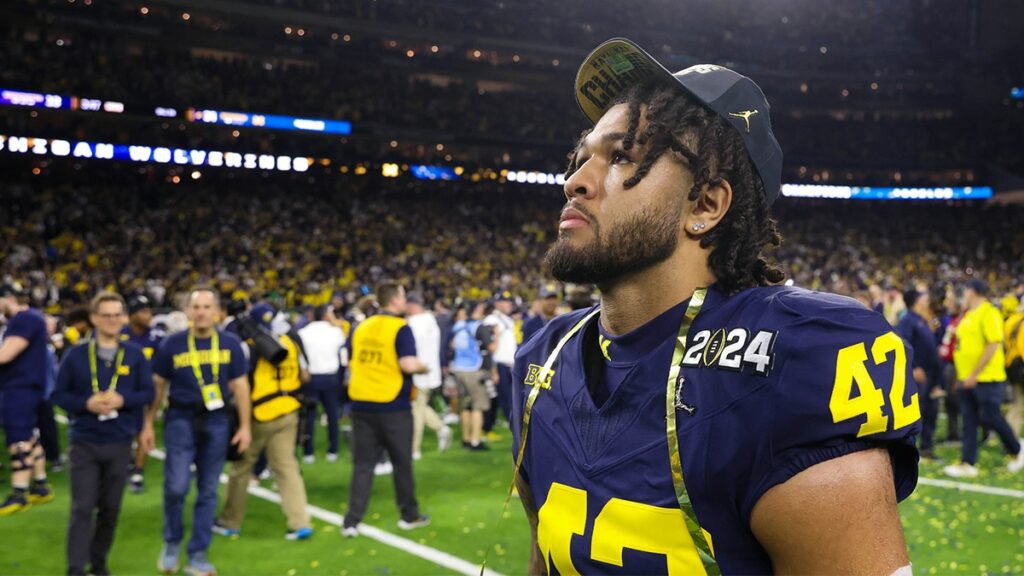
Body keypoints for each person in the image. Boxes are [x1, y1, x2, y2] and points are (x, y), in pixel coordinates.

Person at [512, 38, 923, 574]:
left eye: (620, 157)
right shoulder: (543, 357)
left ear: (705, 205)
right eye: (581, 157)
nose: (575, 182)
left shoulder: (793, 360)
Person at [142, 287, 252, 576]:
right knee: (176, 486)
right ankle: (171, 541)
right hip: (180, 418)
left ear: (217, 311)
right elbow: (158, 385)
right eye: (196, 306)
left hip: (217, 421)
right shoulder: (172, 344)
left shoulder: (230, 343)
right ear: (188, 311)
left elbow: (241, 386)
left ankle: (198, 553)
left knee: (208, 490)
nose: (201, 312)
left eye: (207, 306)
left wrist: (245, 426)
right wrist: (147, 423)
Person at [52, 292, 154, 576]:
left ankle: (98, 563)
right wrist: (86, 403)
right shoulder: (76, 355)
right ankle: (75, 568)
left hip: (119, 442)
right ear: (94, 318)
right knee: (83, 508)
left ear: (123, 318)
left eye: (116, 315)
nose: (112, 320)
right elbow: (59, 394)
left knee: (110, 510)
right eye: (105, 315)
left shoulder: (134, 354)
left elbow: (147, 392)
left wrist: (123, 400)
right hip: (84, 440)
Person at [216, 303, 312, 541]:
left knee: (241, 468)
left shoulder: (249, 347)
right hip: (289, 409)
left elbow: (239, 385)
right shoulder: (292, 341)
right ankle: (300, 522)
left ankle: (231, 521)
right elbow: (305, 376)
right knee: (287, 467)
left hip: (258, 413)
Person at [342, 282, 430, 538]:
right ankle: (409, 515)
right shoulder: (401, 328)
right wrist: (424, 367)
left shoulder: (361, 326)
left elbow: (351, 359)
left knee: (363, 465)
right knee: (402, 462)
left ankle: (351, 521)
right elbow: (407, 364)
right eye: (403, 296)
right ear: (395, 300)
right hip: (392, 405)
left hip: (361, 403)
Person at [944, 279, 1024, 478]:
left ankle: (1017, 449)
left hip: (987, 377)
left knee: (990, 416)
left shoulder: (989, 312)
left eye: (967, 290)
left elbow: (993, 344)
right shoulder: (969, 314)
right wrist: (961, 375)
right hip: (966, 377)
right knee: (969, 419)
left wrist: (974, 374)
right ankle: (967, 462)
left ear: (974, 291)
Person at [0, 282, 55, 515]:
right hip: (25, 385)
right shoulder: (27, 319)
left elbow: (5, 355)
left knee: (18, 437)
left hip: (19, 386)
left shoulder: (24, 319)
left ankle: (19, 493)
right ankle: (40, 485)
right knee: (30, 436)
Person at [121, 295, 164, 494]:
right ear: (132, 315)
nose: (149, 316)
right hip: (120, 391)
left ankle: (137, 471)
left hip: (146, 392)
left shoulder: (157, 336)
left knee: (144, 431)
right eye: (143, 311)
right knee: (121, 433)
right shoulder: (120, 334)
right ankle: (125, 463)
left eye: (149, 311)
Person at [404, 293, 452, 459]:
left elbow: (411, 348)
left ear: (411, 305)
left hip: (417, 371)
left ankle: (414, 449)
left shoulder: (413, 323)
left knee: (416, 410)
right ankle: (442, 428)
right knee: (420, 406)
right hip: (430, 371)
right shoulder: (431, 320)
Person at [298, 304, 348, 463]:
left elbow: (299, 354)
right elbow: (344, 352)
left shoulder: (303, 332)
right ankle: (332, 450)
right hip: (330, 377)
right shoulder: (335, 332)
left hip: (310, 377)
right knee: (332, 414)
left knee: (310, 417)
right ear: (327, 315)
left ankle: (308, 452)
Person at [896, 288, 941, 458]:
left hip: (931, 373)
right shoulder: (907, 319)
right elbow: (901, 343)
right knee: (915, 411)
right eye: (923, 296)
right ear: (916, 299)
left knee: (931, 410)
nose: (927, 298)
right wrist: (912, 366)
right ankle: (907, 448)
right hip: (918, 373)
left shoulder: (922, 319)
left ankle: (927, 446)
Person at [450, 302, 494, 450]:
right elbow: (491, 347)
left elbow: (452, 345)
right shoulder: (478, 327)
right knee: (478, 406)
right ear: (478, 309)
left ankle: (466, 439)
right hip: (474, 369)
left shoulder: (459, 325)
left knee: (465, 406)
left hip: (459, 368)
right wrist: (498, 335)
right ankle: (475, 441)